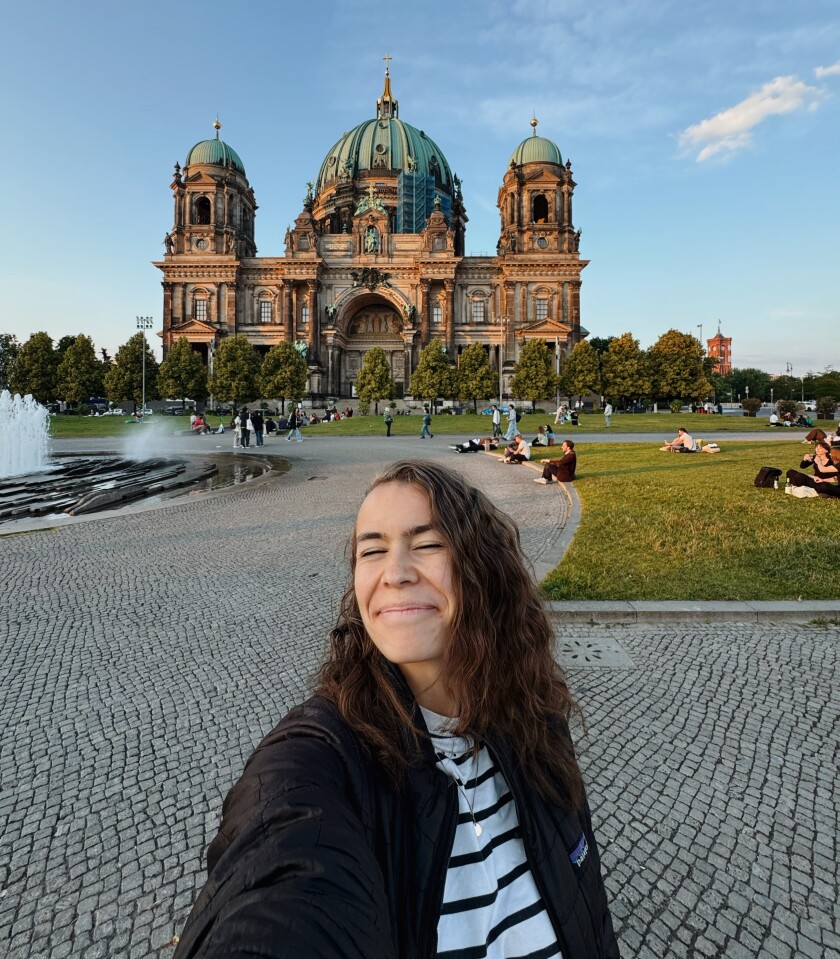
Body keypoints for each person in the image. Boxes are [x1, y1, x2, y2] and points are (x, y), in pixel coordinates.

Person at [172, 461, 619, 958]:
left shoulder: (537, 724)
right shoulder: (319, 762)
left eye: (427, 544)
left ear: (482, 568)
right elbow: (278, 876)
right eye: (373, 550)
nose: (396, 573)